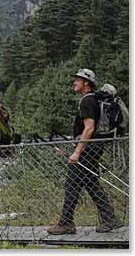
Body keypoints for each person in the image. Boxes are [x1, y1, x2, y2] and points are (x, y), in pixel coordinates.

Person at [47, 69, 123, 235]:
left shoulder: (87, 101)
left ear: (86, 83)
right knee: (91, 183)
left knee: (71, 184)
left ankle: (66, 223)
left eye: (78, 80)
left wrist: (77, 152)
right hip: (92, 148)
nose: (74, 82)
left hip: (87, 149)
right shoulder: (93, 100)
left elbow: (89, 129)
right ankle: (110, 219)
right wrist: (74, 148)